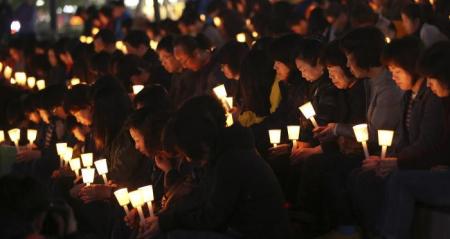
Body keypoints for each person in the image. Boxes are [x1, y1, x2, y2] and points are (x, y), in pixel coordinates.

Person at [138, 95, 292, 239]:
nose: (187, 158)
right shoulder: (225, 152)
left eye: (186, 152)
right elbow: (201, 198)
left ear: (200, 140)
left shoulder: (231, 160)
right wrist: (162, 217)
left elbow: (212, 217)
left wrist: (166, 223)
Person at [380, 41, 450, 239]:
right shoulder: (443, 102)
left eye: (432, 79)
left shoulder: (437, 102)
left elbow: (433, 144)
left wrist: (399, 163)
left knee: (400, 181)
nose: (428, 84)